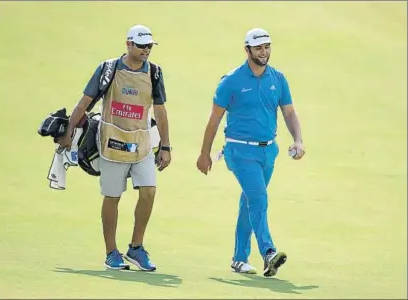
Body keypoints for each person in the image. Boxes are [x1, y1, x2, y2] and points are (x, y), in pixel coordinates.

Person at [58, 24, 172, 271]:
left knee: (149, 192)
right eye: (141, 45)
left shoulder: (154, 73)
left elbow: (160, 112)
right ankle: (111, 253)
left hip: (141, 145)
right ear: (128, 44)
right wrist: (68, 132)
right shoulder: (108, 69)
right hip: (111, 144)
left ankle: (136, 248)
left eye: (149, 45)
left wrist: (165, 146)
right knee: (112, 197)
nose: (146, 50)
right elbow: (85, 103)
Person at [196, 28, 305, 277]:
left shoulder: (278, 78)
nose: (264, 52)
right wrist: (204, 153)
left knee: (249, 203)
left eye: (267, 46)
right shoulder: (231, 80)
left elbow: (288, 112)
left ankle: (239, 258)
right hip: (239, 151)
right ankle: (268, 252)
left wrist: (298, 140)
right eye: (258, 48)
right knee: (258, 199)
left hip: (268, 152)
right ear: (247, 50)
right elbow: (214, 119)